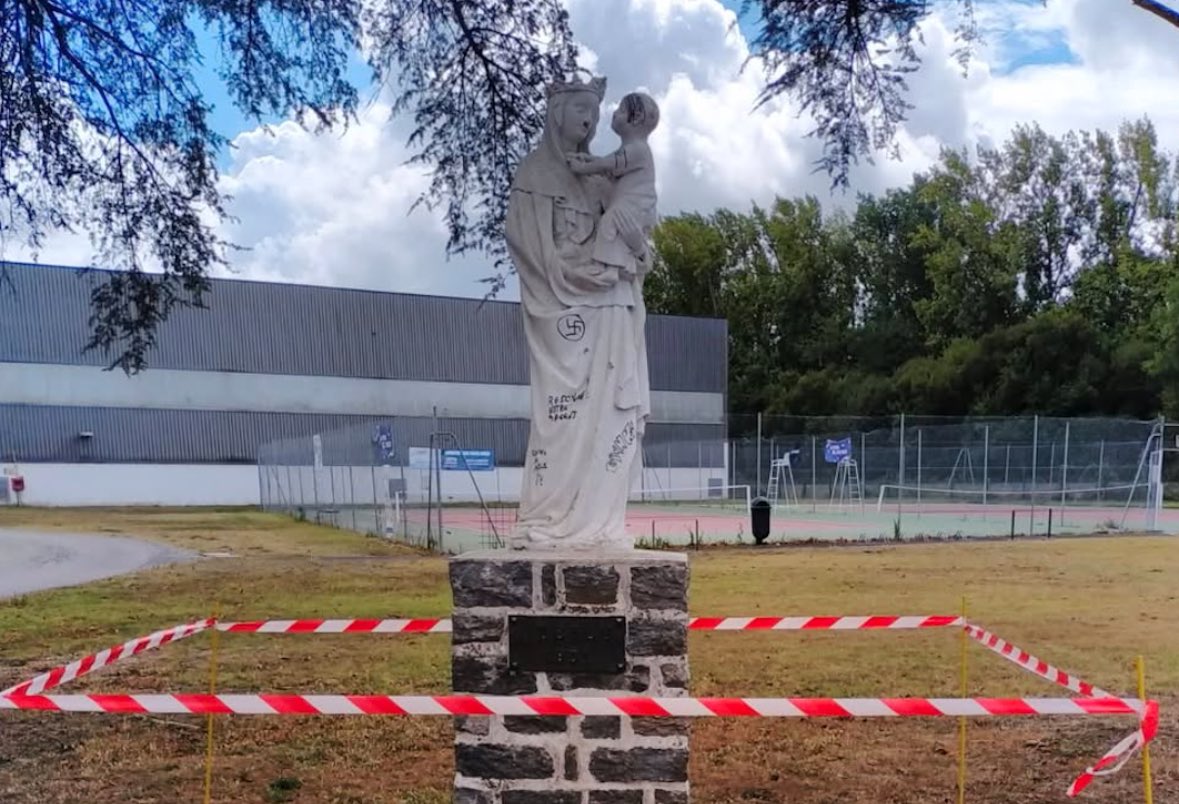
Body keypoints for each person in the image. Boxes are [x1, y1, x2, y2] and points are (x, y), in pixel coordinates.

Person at [504, 74, 652, 550]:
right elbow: (528, 247)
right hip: (565, 311)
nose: (589, 119)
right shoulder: (533, 175)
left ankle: (601, 522)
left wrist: (638, 258)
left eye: (594, 110)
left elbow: (635, 234)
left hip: (611, 307)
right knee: (562, 423)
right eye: (580, 109)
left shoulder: (604, 176)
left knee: (612, 414)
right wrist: (571, 273)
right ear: (557, 113)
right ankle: (549, 517)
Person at [567, 92, 660, 281]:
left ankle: (610, 268)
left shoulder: (637, 149)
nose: (615, 113)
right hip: (627, 204)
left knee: (610, 223)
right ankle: (608, 266)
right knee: (610, 225)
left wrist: (582, 167)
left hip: (634, 204)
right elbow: (607, 164)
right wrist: (590, 160)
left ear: (637, 118)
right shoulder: (631, 149)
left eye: (622, 110)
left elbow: (608, 165)